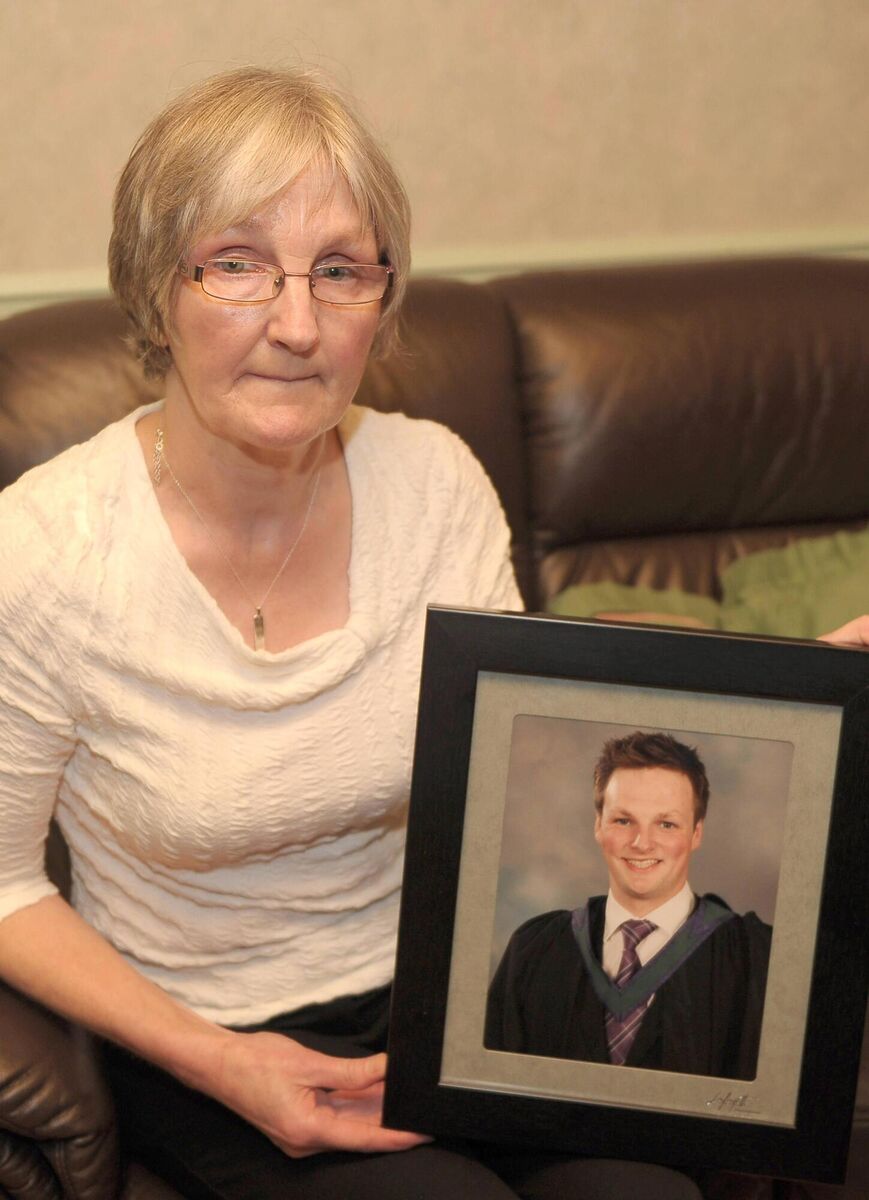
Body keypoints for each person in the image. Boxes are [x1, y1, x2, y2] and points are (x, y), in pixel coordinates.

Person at [0, 67, 707, 1200]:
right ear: (154, 290)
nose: (296, 324)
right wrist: (223, 1064)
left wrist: (786, 694)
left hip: (453, 992)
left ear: (381, 300)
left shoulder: (432, 480)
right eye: (236, 263)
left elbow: (519, 761)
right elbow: (1, 886)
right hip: (205, 1031)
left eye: (339, 271)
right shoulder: (44, 551)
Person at [486, 731, 772, 1080]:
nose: (641, 843)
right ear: (598, 825)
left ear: (696, 833)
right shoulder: (534, 951)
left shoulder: (756, 960)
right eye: (624, 821)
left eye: (666, 824)